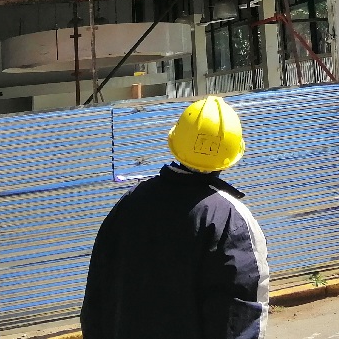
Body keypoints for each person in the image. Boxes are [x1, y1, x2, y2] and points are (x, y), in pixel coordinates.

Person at [81, 96, 268, 339]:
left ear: (176, 142)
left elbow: (96, 297)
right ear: (232, 155)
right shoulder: (232, 220)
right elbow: (241, 316)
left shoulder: (130, 203)